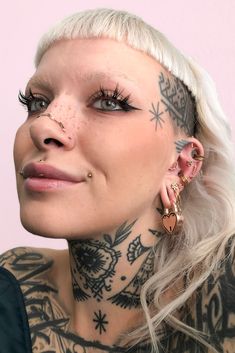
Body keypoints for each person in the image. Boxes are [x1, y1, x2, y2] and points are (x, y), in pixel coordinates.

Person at [0, 8, 235, 353]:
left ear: (181, 166)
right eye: (37, 102)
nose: (43, 126)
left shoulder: (225, 280)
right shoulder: (12, 283)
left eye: (109, 102)